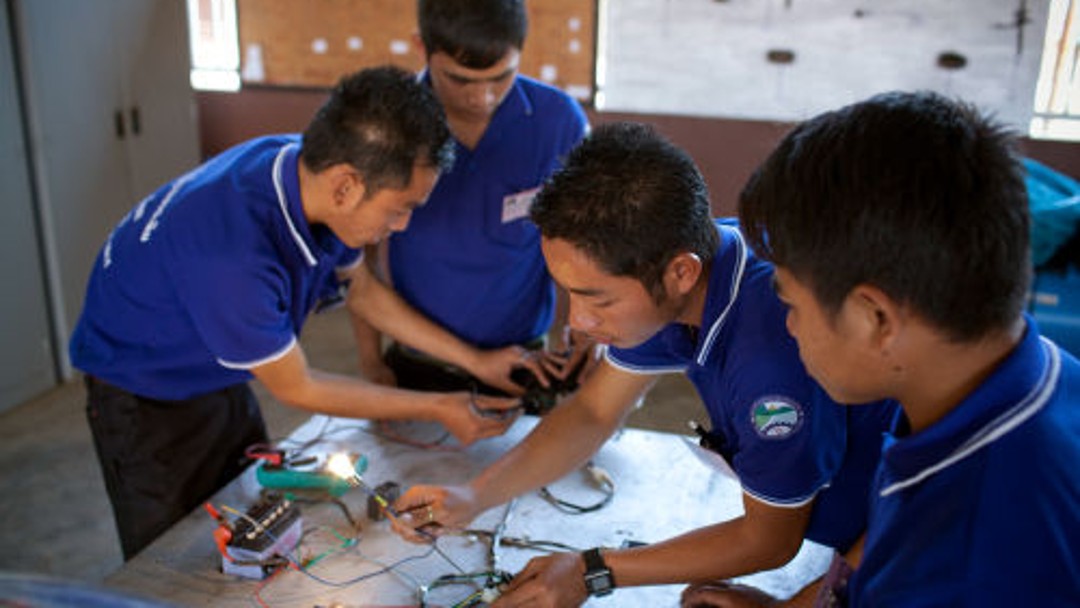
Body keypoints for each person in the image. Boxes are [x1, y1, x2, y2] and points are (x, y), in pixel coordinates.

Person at [390, 122, 897, 605]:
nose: (581, 322)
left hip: (899, 537)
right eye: (568, 294)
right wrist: (472, 496)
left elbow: (769, 540)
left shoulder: (771, 362)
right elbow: (594, 411)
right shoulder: (690, 268)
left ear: (680, 272)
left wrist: (594, 571)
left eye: (598, 301)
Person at [68, 66, 522, 561]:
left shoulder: (306, 170)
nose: (403, 224)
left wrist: (477, 363)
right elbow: (298, 386)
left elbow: (364, 293)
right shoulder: (232, 256)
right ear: (346, 186)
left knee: (249, 514)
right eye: (400, 208)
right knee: (172, 555)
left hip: (213, 370)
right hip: (142, 394)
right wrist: (437, 406)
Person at [734, 90, 1080, 606]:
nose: (790, 328)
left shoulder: (964, 563)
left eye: (792, 304)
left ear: (876, 318)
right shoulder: (1026, 371)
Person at [353, 0, 593, 398]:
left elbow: (584, 242)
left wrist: (588, 330)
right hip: (419, 363)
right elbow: (360, 260)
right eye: (461, 80)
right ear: (421, 47)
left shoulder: (559, 122)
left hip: (526, 362)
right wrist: (372, 363)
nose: (482, 98)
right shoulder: (383, 127)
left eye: (502, 77)